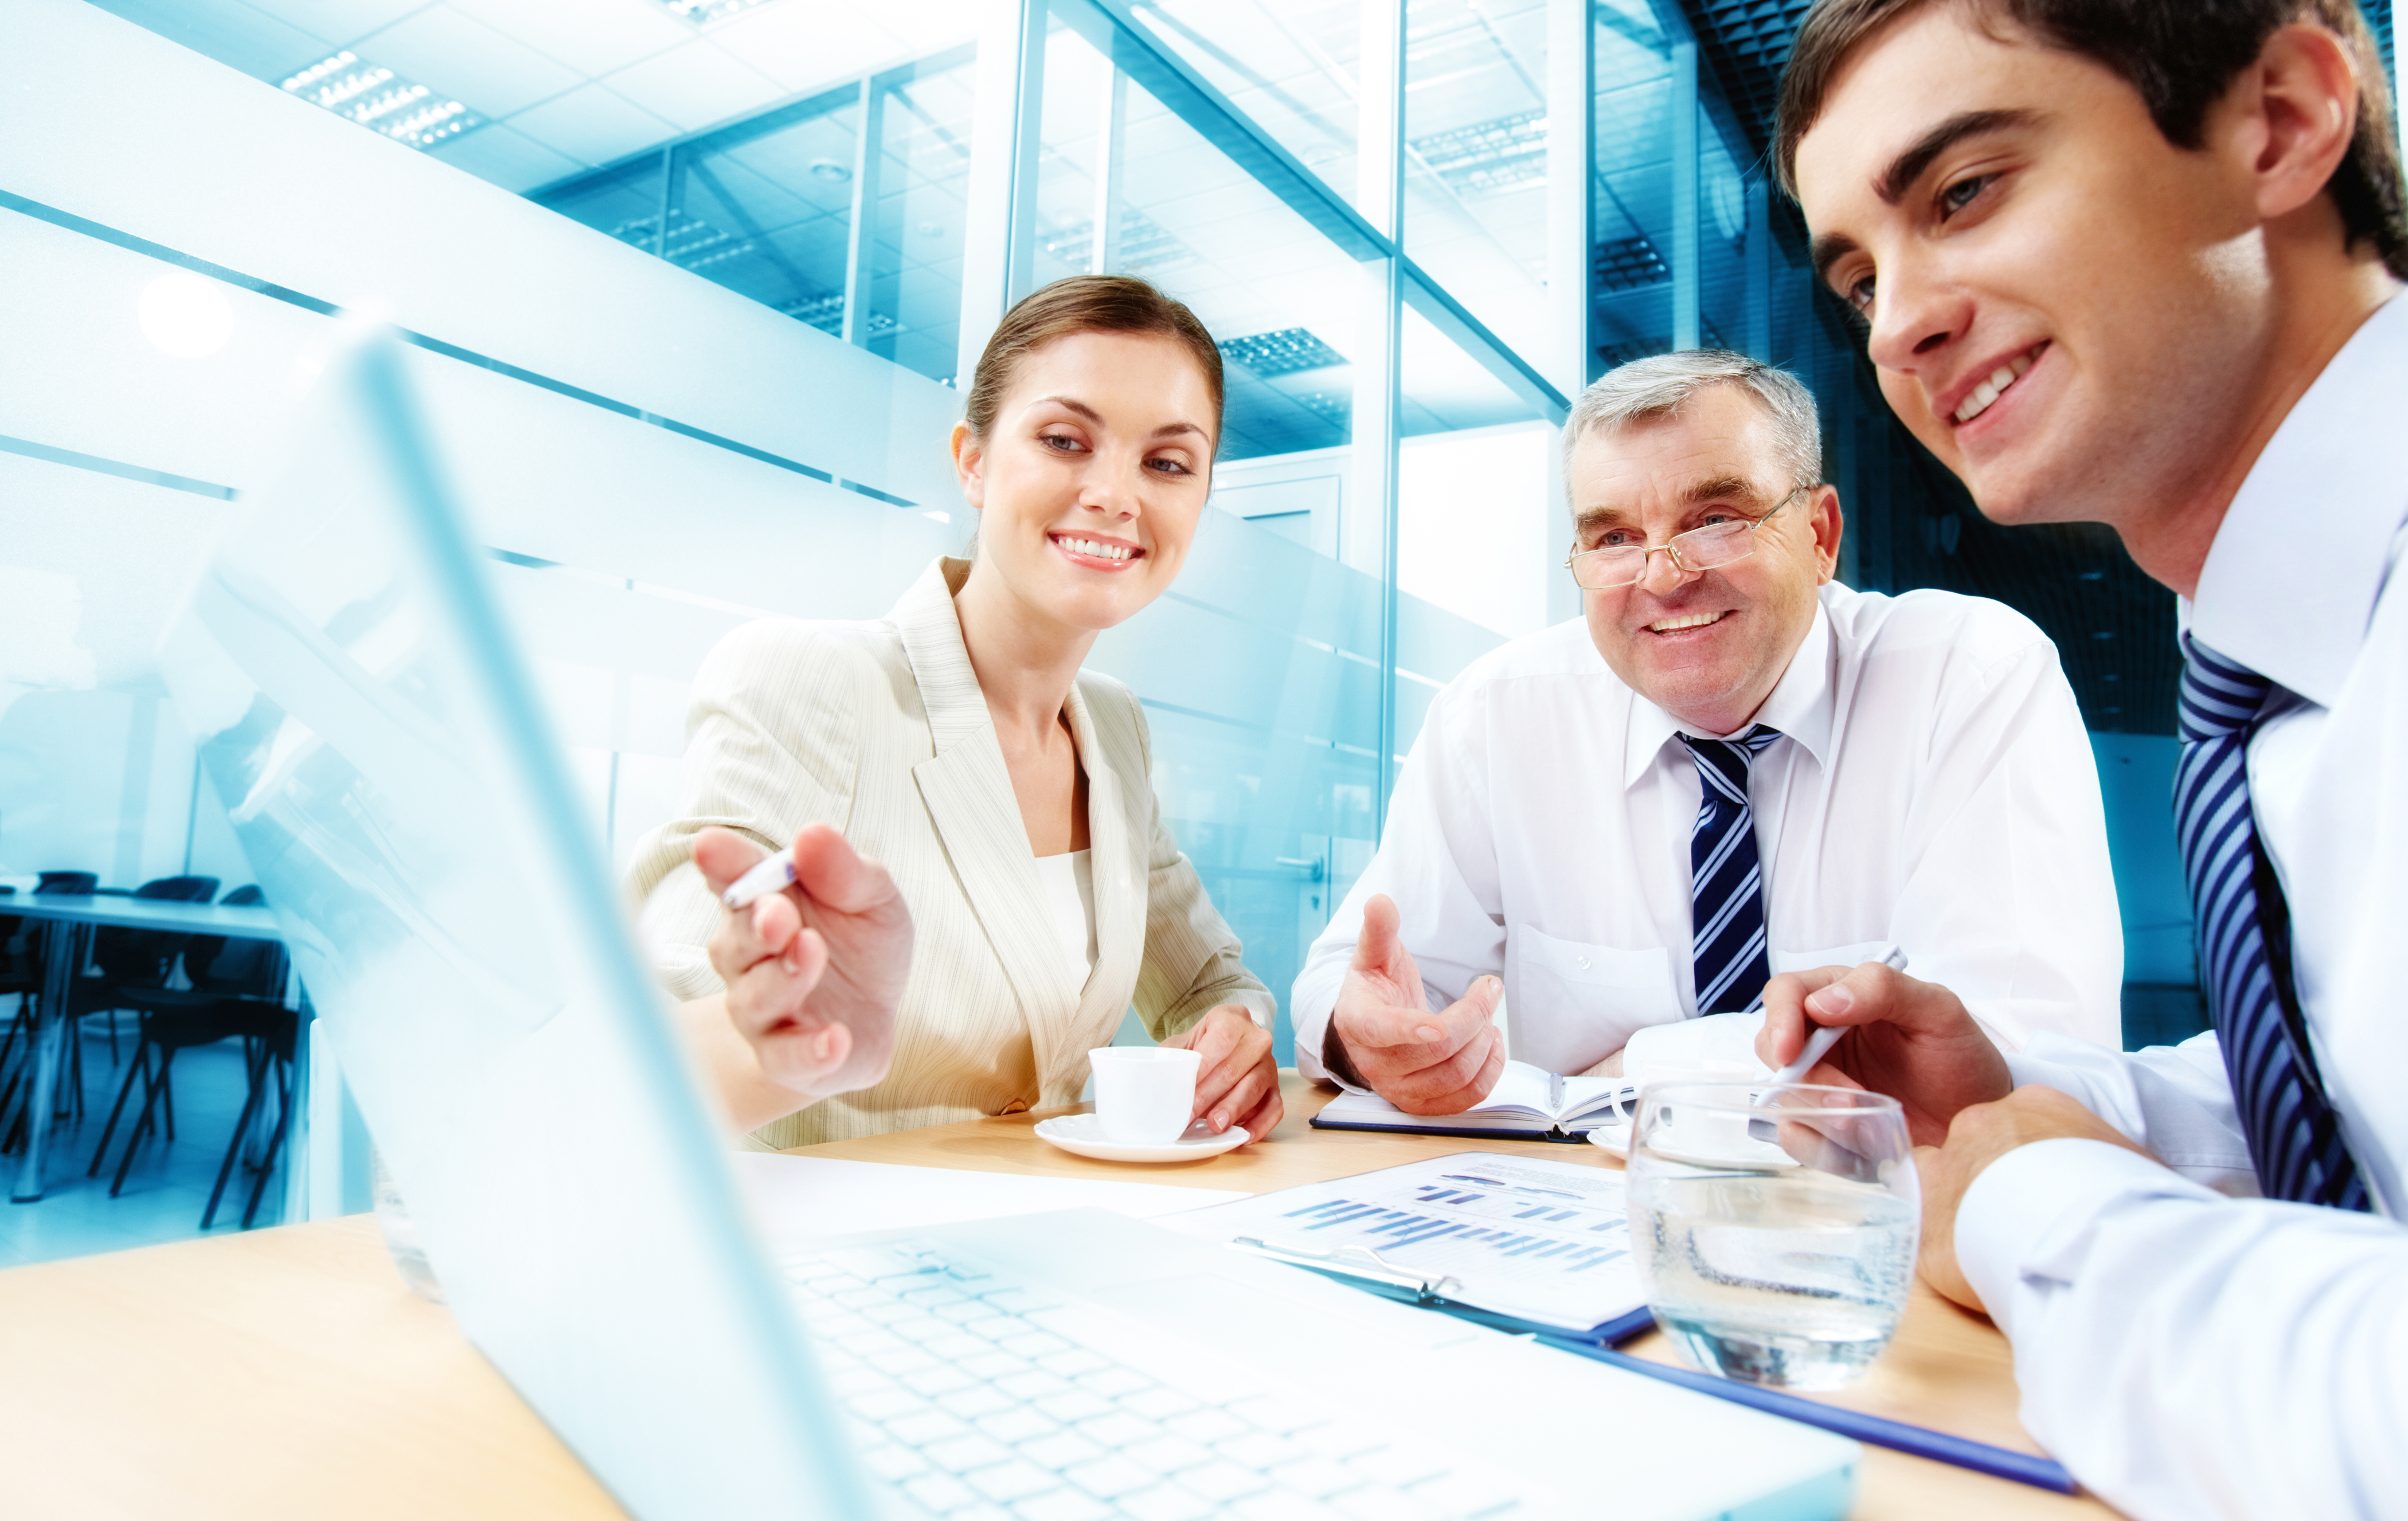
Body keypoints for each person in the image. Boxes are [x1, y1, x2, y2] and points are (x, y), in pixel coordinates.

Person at [1773, 0, 2408, 1513]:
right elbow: (2361, 1090)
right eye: (1859, 273)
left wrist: (2045, 1205)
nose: (1898, 325)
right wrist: (2022, 1106)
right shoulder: (2274, 656)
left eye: (1965, 192)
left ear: (2278, 123)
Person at [1291, 350, 2122, 1114]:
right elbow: (1355, 983)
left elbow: (2018, 1057)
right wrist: (1362, 1035)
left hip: (1878, 1228)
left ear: (1821, 535)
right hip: (1572, 1224)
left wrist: (1629, 1071)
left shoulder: (1967, 676)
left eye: (1715, 519)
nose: (1662, 577)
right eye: (1614, 538)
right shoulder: (1496, 714)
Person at [631, 275, 1280, 1149]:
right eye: (1064, 440)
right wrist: (786, 1037)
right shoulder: (812, 681)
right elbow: (642, 1056)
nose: (1117, 495)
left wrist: (1237, 1036)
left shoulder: (1112, 730)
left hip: (1038, 1256)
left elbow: (1208, 981)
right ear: (972, 462)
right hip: (823, 1256)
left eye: (1167, 463)